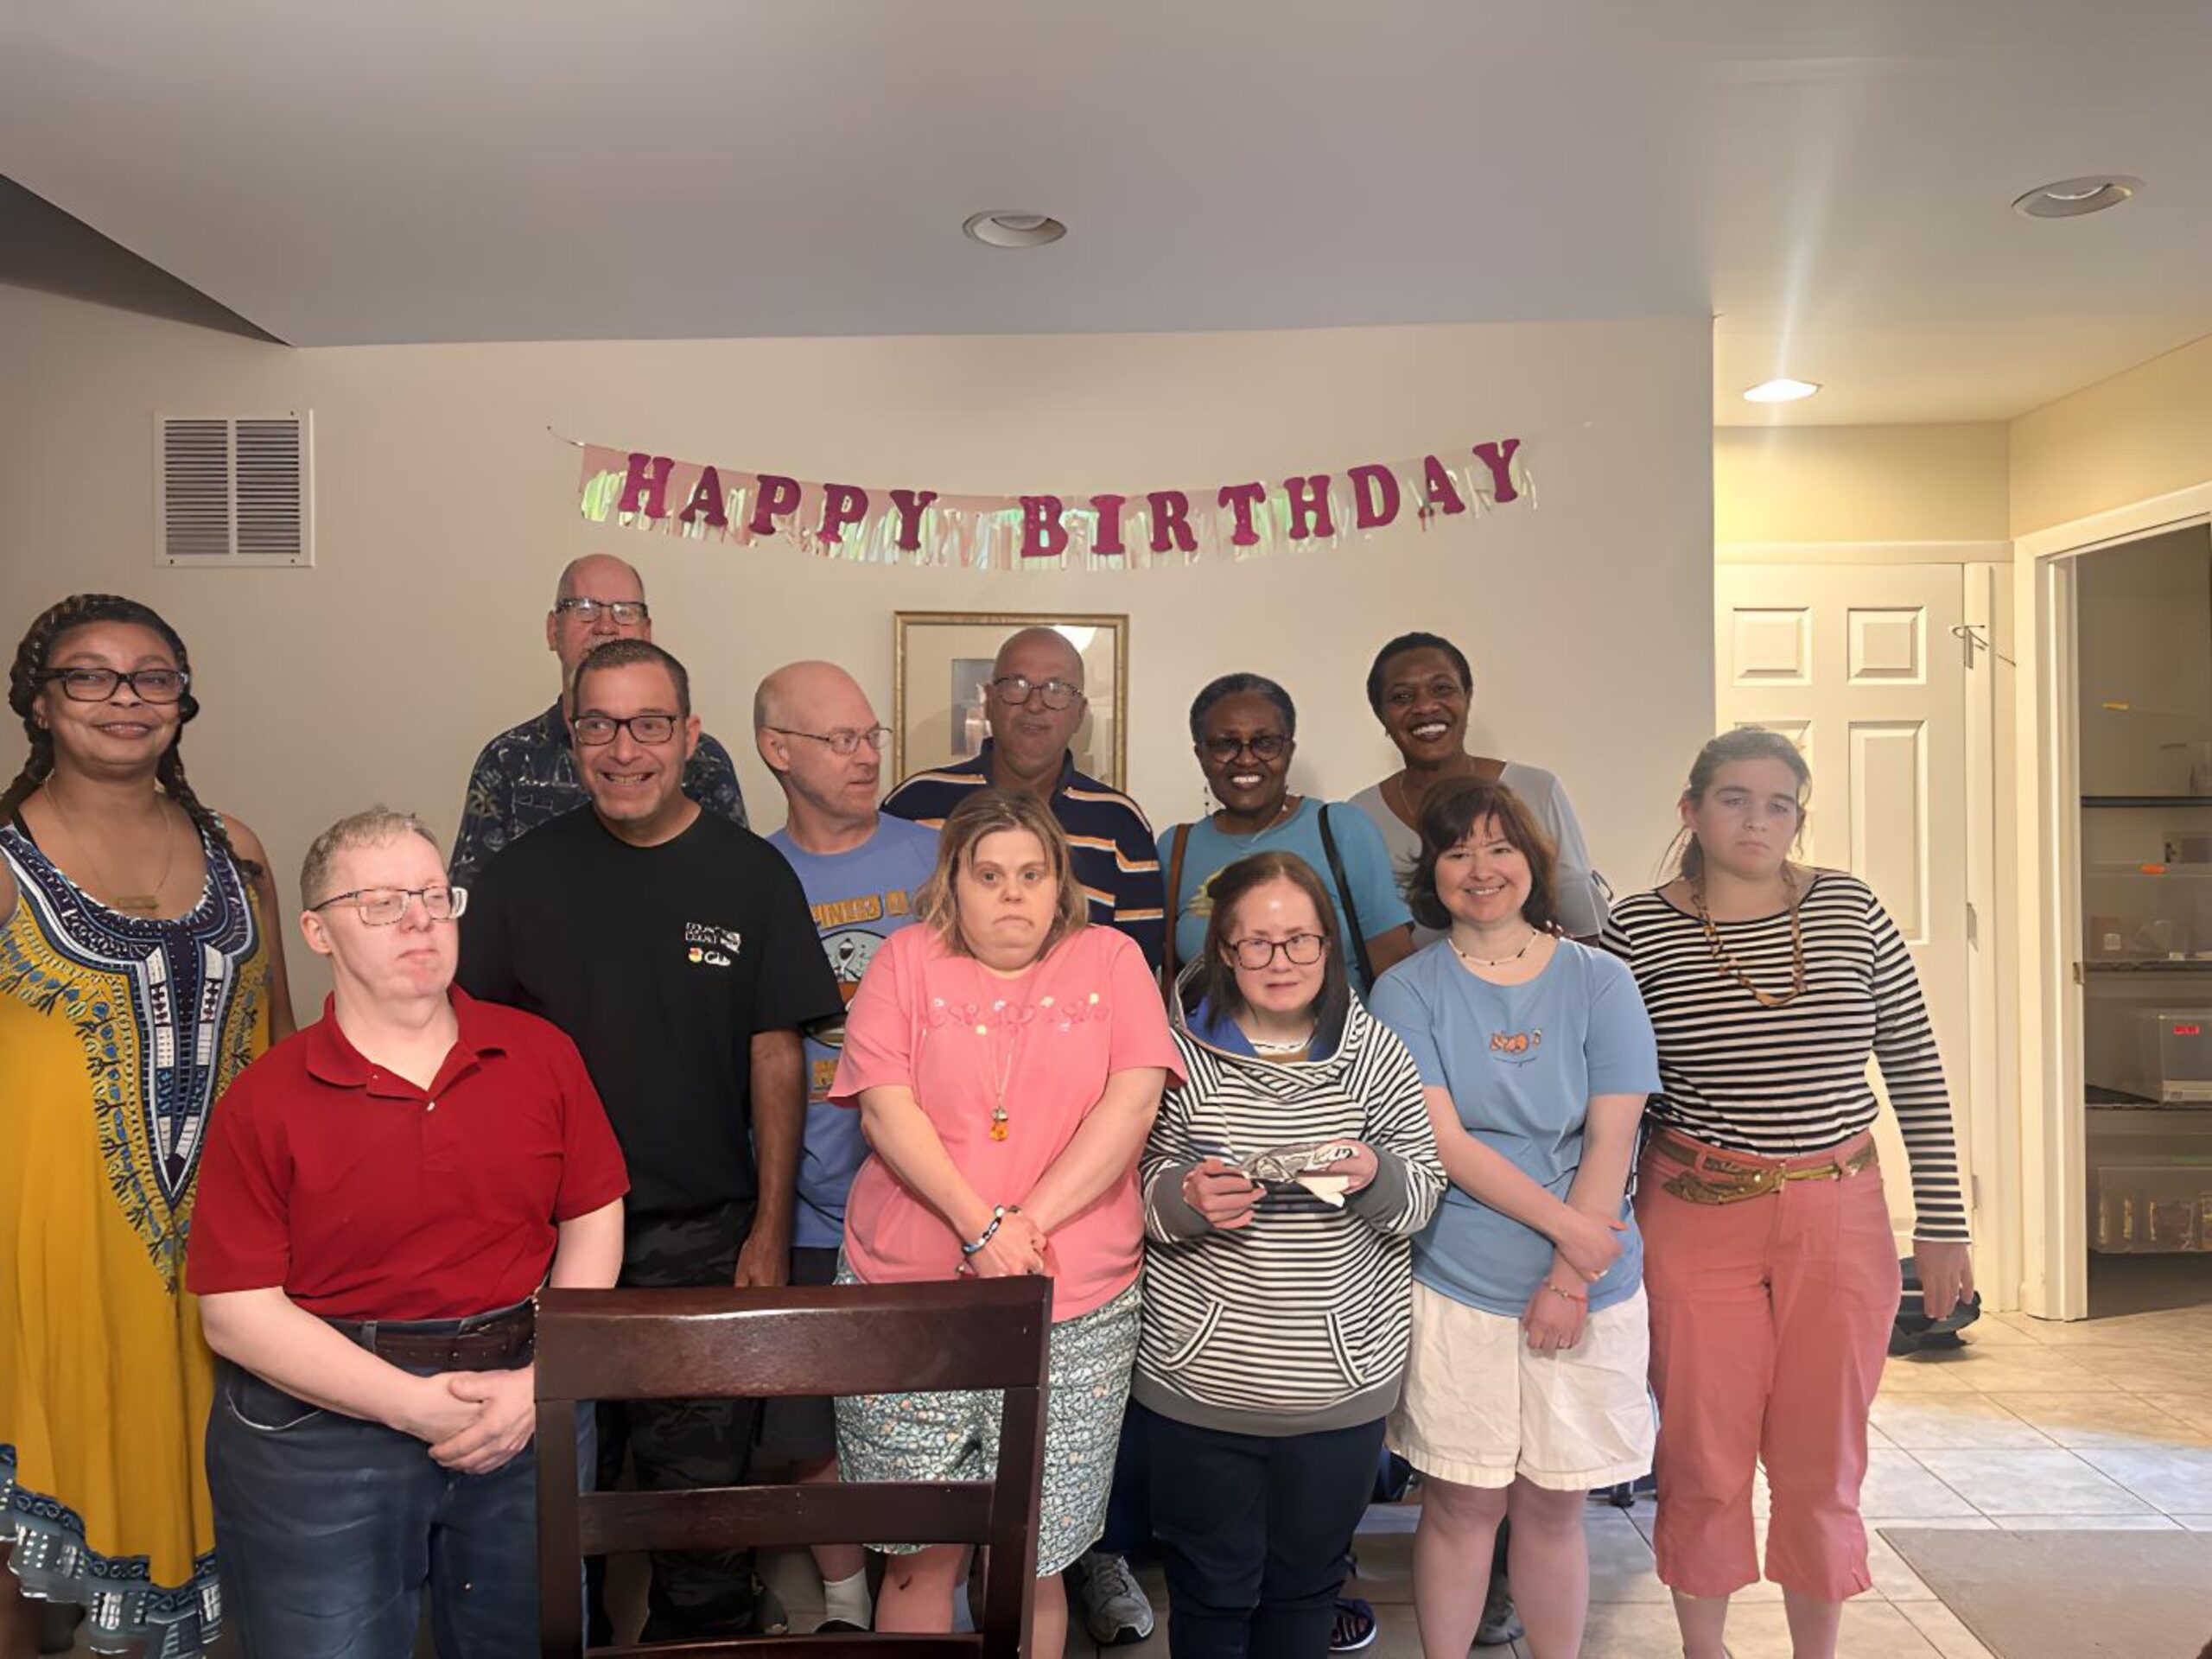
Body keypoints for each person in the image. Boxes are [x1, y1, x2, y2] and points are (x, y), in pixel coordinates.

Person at [457, 638, 841, 1643]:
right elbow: (471, 1062)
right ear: (571, 733)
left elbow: (777, 1058)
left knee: (699, 1511)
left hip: (703, 1238)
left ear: (690, 736)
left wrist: (766, 1229)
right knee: (546, 1504)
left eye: (648, 725)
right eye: (598, 725)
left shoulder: (751, 875)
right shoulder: (517, 882)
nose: (623, 749)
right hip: (542, 1248)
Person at [188, 810, 627, 1657]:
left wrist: (540, 1383)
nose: (420, 919)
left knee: (524, 1643)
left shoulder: (540, 1055)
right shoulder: (266, 1098)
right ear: (316, 929)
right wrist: (416, 1408)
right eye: (381, 902)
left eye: (434, 895)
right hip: (318, 1426)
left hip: (523, 1400)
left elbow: (592, 1219)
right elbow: (236, 1313)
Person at [1603, 728, 1973, 1659]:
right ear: (1690, 811)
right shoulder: (1636, 930)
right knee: (1702, 1449)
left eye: (1778, 803)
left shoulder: (1851, 909)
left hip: (1839, 1212)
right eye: (1733, 798)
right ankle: (1704, 1648)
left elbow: (1917, 1071)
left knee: (1822, 1454)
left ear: (1799, 817)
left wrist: (1942, 1227)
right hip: (1694, 1213)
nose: (1756, 820)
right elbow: (1609, 1095)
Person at [0, 594, 293, 1659]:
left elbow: (283, 1049)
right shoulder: (3, 854)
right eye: (90, 674)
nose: (125, 698)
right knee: (24, 1532)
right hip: (43, 1254)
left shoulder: (237, 850)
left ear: (183, 699)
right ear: (40, 699)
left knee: (226, 1507)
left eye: (153, 676)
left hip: (223, 1256)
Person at [831, 788, 1179, 1659]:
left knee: (1034, 1561)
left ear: (1062, 884)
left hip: (1074, 1306)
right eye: (989, 876)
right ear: (955, 880)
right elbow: (884, 1107)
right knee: (919, 1557)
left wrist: (1024, 1226)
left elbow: (1131, 1104)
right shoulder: (905, 960)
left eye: (1031, 874)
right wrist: (980, 1226)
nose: (1012, 894)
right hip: (908, 1300)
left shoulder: (1110, 961)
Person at [1155, 671, 1417, 1653]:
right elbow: (1138, 1183)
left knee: (1306, 1591)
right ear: (1219, 945)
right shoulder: (1173, 1055)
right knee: (1213, 1595)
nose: (1277, 957)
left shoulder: (1379, 1051)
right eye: (1254, 941)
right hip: (1200, 1381)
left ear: (1328, 942)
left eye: (1298, 938)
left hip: (1335, 1387)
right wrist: (1181, 1199)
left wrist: (1373, 1176)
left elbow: (1419, 1189)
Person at [1368, 777, 1659, 1659]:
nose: (1480, 868)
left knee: (1554, 1502)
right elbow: (1444, 1142)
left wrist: (1571, 1273)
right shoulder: (1406, 992)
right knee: (1462, 1501)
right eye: (1457, 851)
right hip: (1458, 1280)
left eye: (1498, 847)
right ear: (1433, 873)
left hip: (1593, 1288)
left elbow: (1613, 1139)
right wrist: (1572, 1234)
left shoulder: (1601, 982)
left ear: (1531, 862)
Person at [755, 660, 940, 1636]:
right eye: (841, 740)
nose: (866, 755)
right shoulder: (746, 873)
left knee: (936, 1417)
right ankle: (842, 1604)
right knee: (809, 1422)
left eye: (872, 736)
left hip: (936, 1205)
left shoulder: (940, 856)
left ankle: (928, 1589)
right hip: (809, 1198)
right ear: (777, 751)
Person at [448, 553, 747, 890]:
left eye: (625, 611)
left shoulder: (702, 758)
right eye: (584, 608)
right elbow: (471, 909)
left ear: (646, 633)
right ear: (553, 631)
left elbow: (740, 888)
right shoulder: (506, 760)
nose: (606, 626)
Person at [885, 625, 1165, 976]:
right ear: (988, 701)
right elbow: (886, 946)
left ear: (1079, 712)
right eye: (1016, 685)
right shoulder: (915, 805)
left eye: (1057, 689)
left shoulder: (1119, 822)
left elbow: (1136, 969)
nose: (1035, 704)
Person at [1160, 672, 1415, 992]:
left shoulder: (1342, 830)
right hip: (1210, 1041)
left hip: (1337, 1041)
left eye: (1265, 743)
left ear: (1289, 750)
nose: (1246, 759)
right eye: (1225, 744)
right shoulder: (1177, 848)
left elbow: (1397, 973)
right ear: (1201, 755)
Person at [1351, 630, 1607, 945]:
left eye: (1442, 689)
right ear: (1381, 714)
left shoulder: (1536, 790)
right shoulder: (1359, 817)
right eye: (1402, 697)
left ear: (1467, 697)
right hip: (1417, 992)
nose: (1425, 707)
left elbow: (1586, 932)